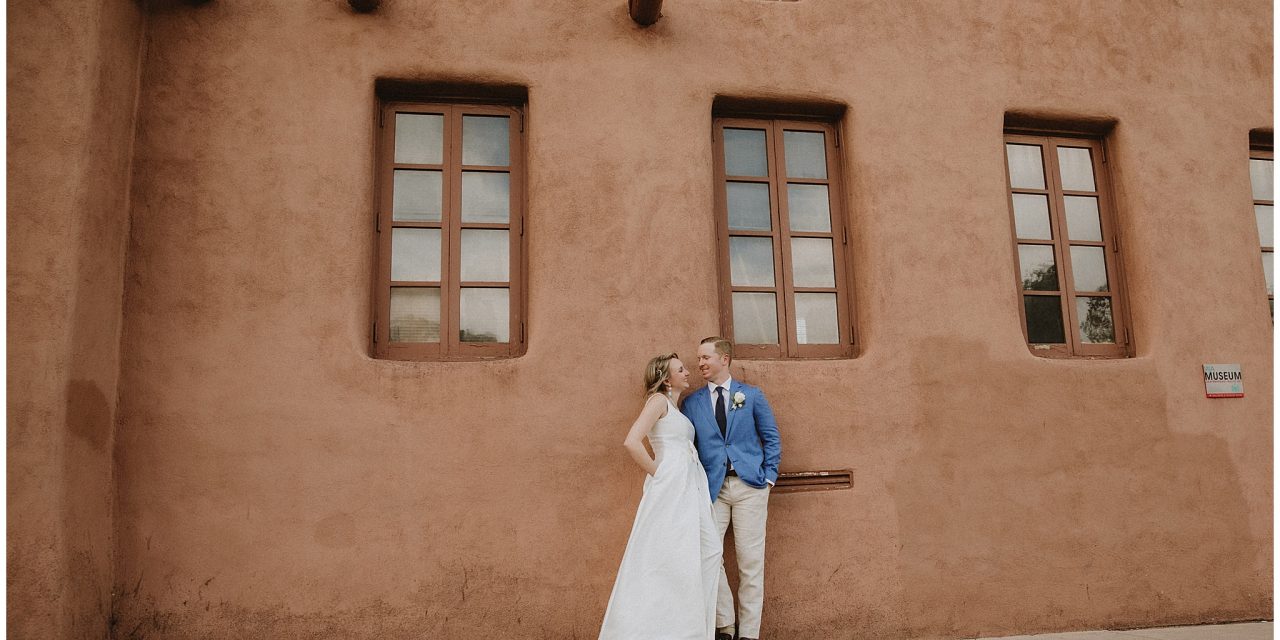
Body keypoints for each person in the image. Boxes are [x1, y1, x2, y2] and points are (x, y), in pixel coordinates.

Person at [599, 353, 722, 640]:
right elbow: (632, 441)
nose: (688, 372)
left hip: (690, 483)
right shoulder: (657, 401)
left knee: (708, 549)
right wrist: (660, 473)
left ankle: (688, 627)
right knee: (669, 554)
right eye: (681, 370)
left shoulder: (676, 409)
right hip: (672, 483)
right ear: (667, 379)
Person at [681, 337, 781, 640]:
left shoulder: (750, 396)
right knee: (707, 555)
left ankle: (749, 634)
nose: (700, 364)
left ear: (724, 359)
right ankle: (725, 624)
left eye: (705, 357)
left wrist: (769, 478)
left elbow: (771, 437)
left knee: (751, 564)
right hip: (713, 489)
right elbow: (690, 445)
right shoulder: (692, 402)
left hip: (751, 486)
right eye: (698, 359)